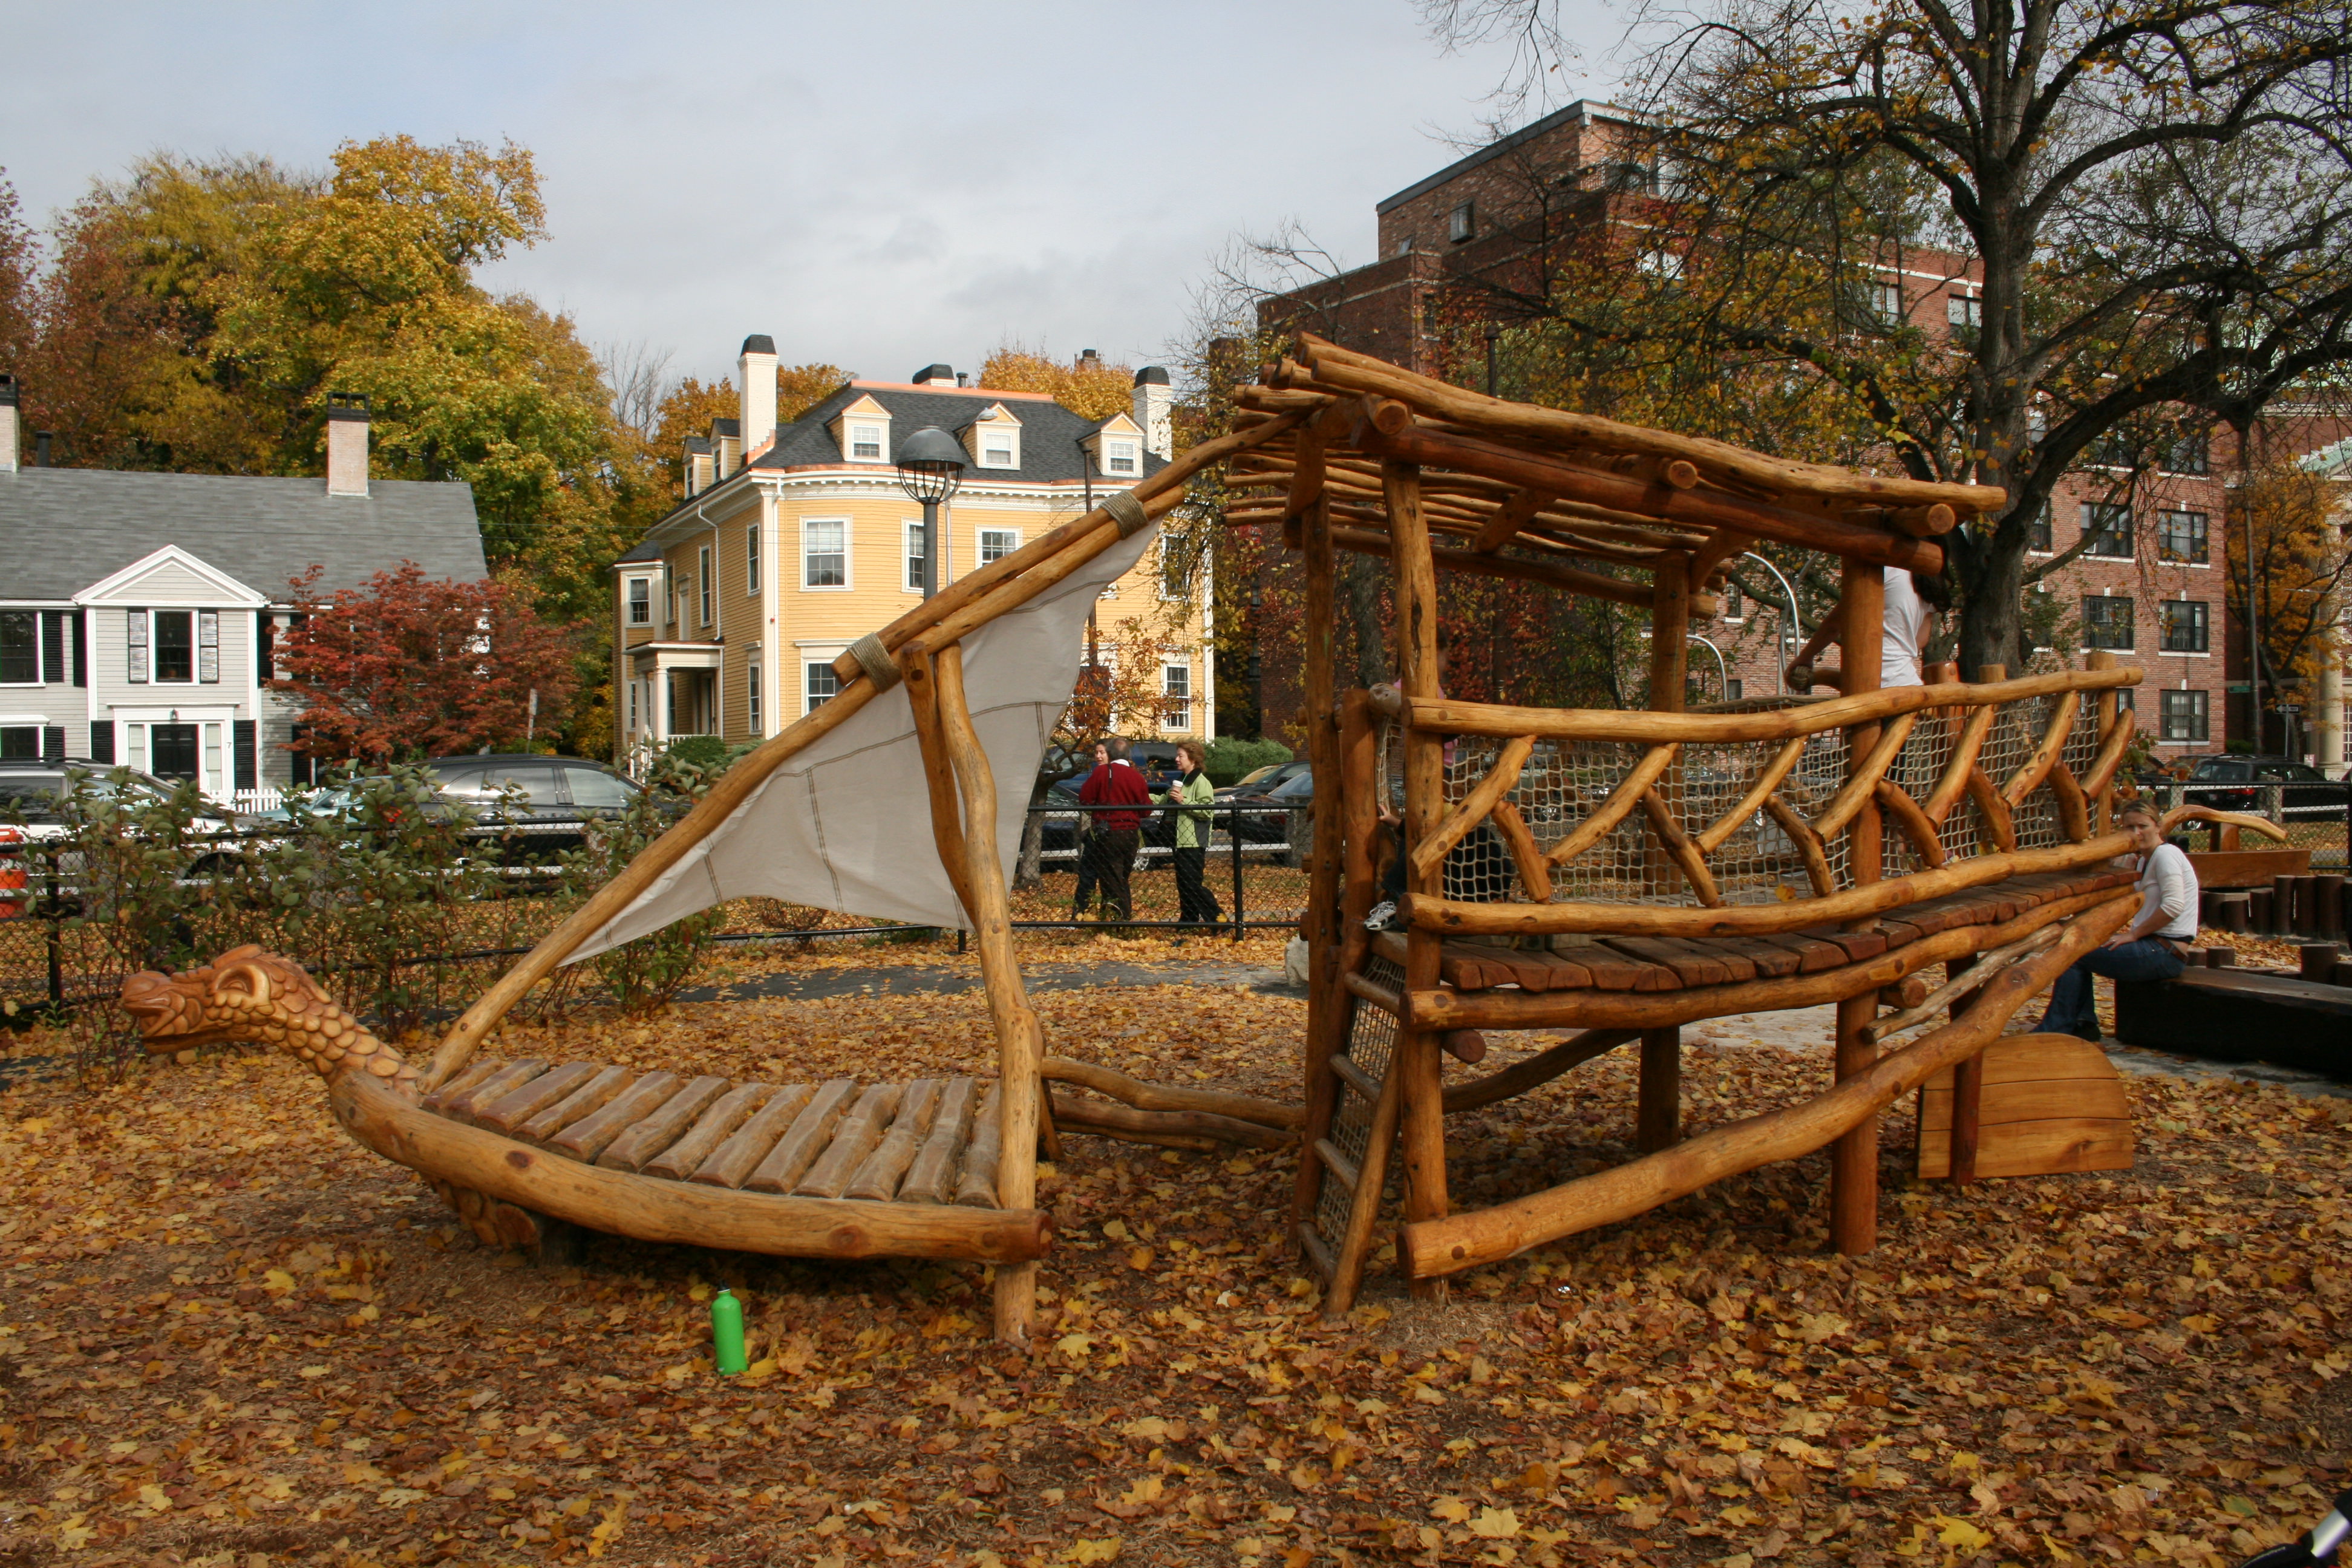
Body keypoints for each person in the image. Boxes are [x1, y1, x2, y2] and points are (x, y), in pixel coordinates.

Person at [2036, 797, 2196, 1042]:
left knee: (2071, 954)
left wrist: (2134, 934)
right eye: (2130, 827)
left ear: (2158, 826)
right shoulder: (2144, 860)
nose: (2137, 832)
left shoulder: (2167, 855)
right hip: (2153, 946)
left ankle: (2057, 1029)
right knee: (2075, 949)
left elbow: (2174, 906)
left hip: (2164, 951)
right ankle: (2083, 1024)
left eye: (2143, 826)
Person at [1077, 735, 1151, 921]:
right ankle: (1118, 917)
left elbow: (1085, 799)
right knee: (1121, 878)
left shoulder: (1102, 772)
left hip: (1109, 833)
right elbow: (1146, 809)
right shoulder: (1137, 777)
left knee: (1110, 879)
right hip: (1131, 834)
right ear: (1128, 755)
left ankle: (1119, 920)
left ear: (1110, 754)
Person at [1157, 739, 1223, 926]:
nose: (1176, 759)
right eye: (1177, 755)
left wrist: (1183, 802)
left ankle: (1219, 920)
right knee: (1184, 885)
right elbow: (1163, 799)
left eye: (1181, 756)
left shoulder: (1201, 782)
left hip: (1194, 841)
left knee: (1193, 885)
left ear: (1193, 759)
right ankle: (1188, 922)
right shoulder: (1182, 781)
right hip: (1179, 840)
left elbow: (1207, 811)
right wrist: (1138, 797)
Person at [1068, 742, 1109, 918]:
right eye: (1096, 753)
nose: (1098, 756)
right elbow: (1085, 800)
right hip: (1098, 830)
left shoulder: (1108, 773)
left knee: (1102, 876)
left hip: (1110, 832)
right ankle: (1081, 913)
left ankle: (1107, 915)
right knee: (1087, 875)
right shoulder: (1097, 774)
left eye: (1102, 753)